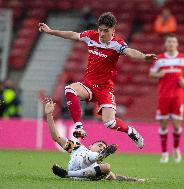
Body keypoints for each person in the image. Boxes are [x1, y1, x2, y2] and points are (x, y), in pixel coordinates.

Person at [38, 12, 157, 149]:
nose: (101, 33)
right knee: (69, 89)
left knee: (109, 123)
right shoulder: (91, 36)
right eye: (100, 29)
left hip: (105, 88)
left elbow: (130, 52)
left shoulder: (117, 44)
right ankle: (78, 127)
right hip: (88, 85)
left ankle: (131, 132)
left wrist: (144, 57)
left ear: (113, 30)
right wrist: (50, 31)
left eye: (105, 31)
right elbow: (72, 35)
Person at [43, 97, 145, 182]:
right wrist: (49, 114)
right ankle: (98, 157)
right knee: (103, 166)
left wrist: (135, 180)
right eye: (100, 145)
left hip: (80, 174)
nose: (101, 147)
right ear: (90, 146)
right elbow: (56, 137)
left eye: (103, 148)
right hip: (83, 162)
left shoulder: (97, 167)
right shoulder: (77, 147)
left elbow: (115, 177)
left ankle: (66, 174)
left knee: (107, 169)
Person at [149, 34, 184, 163]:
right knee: (163, 124)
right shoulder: (160, 59)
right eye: (169, 41)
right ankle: (164, 153)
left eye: (173, 41)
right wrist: (158, 74)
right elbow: (151, 73)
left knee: (176, 124)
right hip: (163, 95)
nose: (171, 44)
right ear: (165, 44)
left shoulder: (183, 58)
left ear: (177, 44)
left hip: (178, 95)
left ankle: (176, 149)